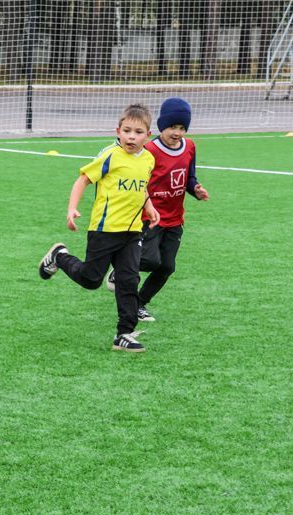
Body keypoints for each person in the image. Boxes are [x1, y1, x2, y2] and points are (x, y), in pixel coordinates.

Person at [38, 103, 160, 352]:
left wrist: (149, 206)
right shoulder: (110, 156)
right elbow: (83, 179)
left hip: (132, 231)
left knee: (129, 280)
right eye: (127, 131)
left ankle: (124, 334)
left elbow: (141, 186)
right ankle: (59, 256)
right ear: (118, 131)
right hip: (104, 230)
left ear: (148, 135)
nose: (132, 137)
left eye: (138, 132)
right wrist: (71, 209)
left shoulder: (149, 159)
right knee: (91, 280)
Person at [105, 97, 209, 322]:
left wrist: (195, 189)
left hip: (175, 219)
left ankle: (139, 303)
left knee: (167, 267)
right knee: (151, 260)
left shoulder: (190, 147)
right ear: (162, 126)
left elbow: (189, 177)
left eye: (182, 128)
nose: (177, 132)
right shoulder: (149, 150)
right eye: (172, 127)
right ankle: (120, 269)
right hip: (149, 216)